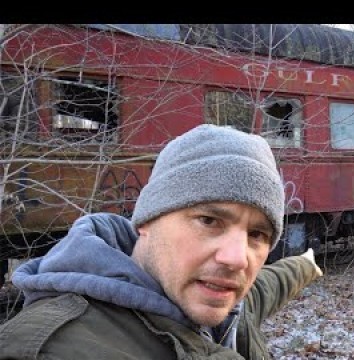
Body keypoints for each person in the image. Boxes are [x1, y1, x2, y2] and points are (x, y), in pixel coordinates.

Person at [0, 124, 324, 360]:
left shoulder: (224, 306)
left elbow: (268, 287)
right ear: (146, 222)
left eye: (257, 234)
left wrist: (307, 265)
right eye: (208, 221)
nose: (238, 258)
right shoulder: (53, 348)